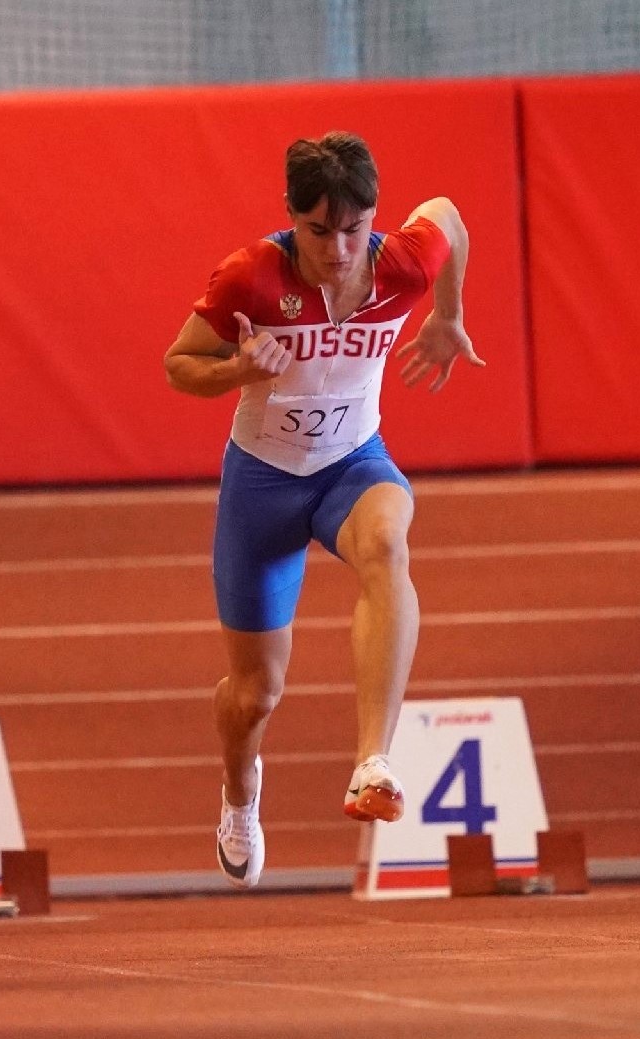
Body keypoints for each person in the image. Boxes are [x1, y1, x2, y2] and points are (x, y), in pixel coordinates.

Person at [163, 130, 483, 889]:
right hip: (264, 486)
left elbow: (451, 217)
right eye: (317, 231)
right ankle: (240, 795)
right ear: (291, 218)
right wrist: (239, 366)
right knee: (255, 693)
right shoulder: (250, 276)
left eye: (354, 229)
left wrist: (446, 313)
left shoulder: (399, 264)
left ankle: (373, 759)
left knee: (388, 548)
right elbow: (179, 365)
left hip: (352, 464)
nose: (337, 250)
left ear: (374, 218)